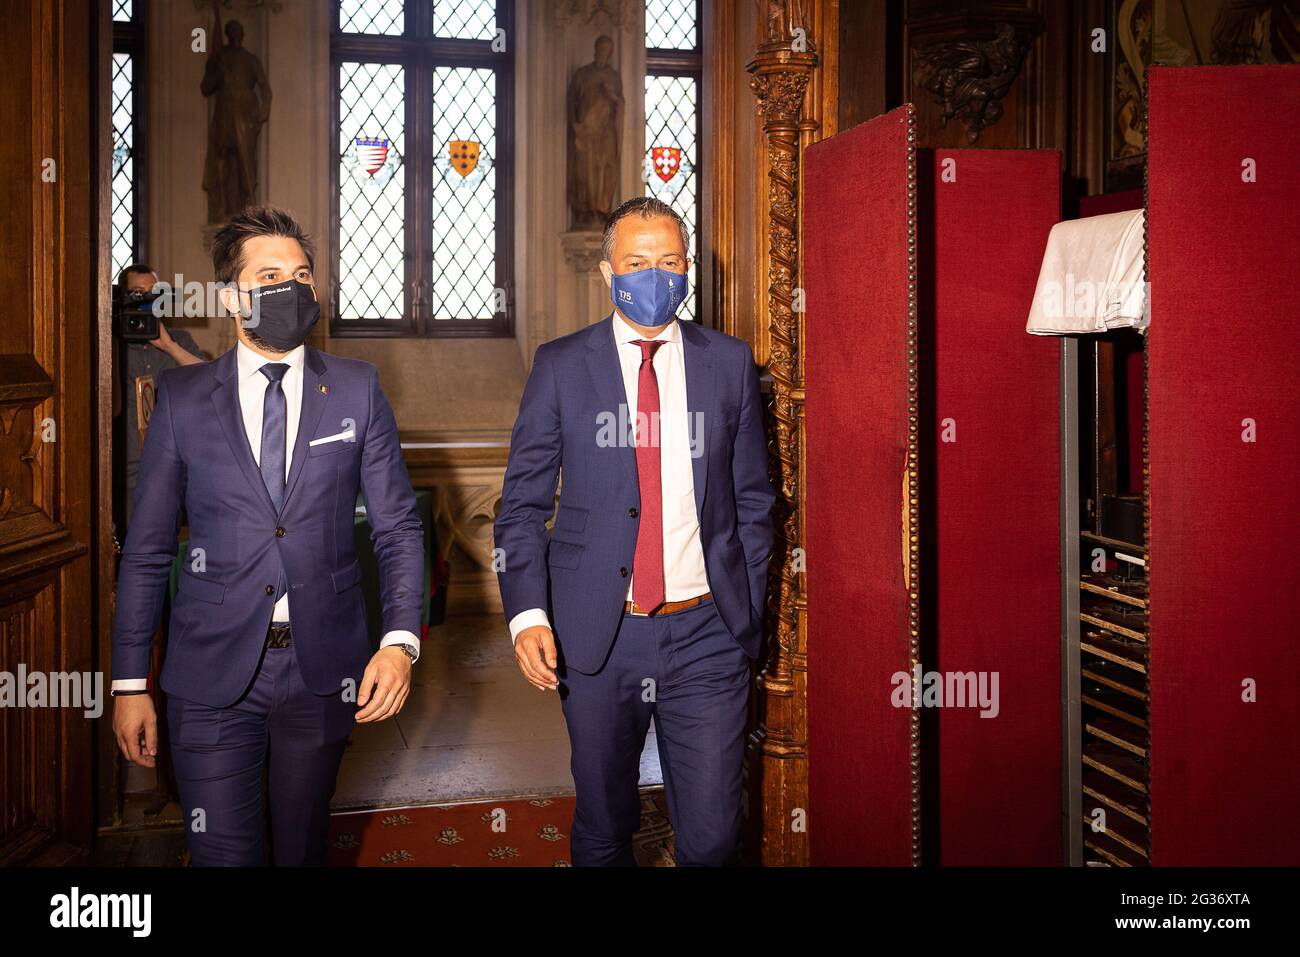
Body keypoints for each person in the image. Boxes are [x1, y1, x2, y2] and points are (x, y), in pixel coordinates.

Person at [110, 206, 425, 865]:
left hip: (321, 671)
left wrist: (400, 643)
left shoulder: (358, 390)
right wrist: (130, 682)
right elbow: (146, 551)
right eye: (271, 274)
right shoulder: (184, 398)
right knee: (224, 853)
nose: (292, 287)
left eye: (302, 274)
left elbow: (397, 527)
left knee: (301, 847)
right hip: (208, 675)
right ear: (233, 295)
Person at [494, 196, 775, 866]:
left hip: (709, 633)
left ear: (688, 267)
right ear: (607, 271)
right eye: (639, 262)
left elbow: (754, 499)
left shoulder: (728, 362)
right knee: (604, 822)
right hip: (597, 636)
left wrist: (747, 604)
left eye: (670, 261)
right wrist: (528, 614)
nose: (657, 276)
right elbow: (522, 505)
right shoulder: (561, 365)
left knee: (712, 837)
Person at [114, 264, 206, 526]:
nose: (145, 301)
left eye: (153, 294)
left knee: (168, 547)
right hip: (125, 472)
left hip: (173, 470)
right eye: (137, 293)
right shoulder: (109, 344)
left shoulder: (179, 339)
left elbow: (210, 382)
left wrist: (168, 346)